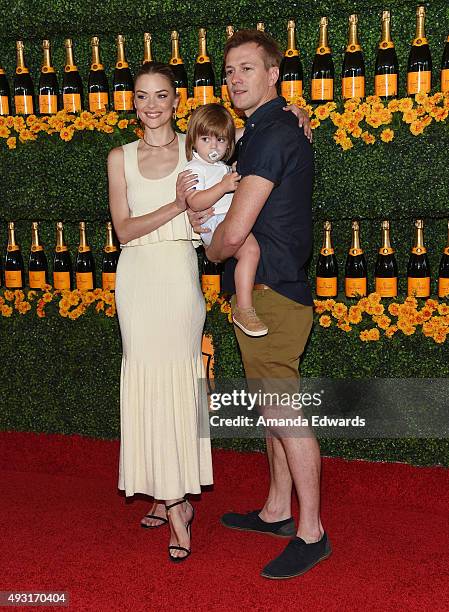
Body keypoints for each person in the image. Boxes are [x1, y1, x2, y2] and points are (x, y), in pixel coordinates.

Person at [189, 29, 331, 580]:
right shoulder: (258, 133)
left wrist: (209, 242)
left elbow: (235, 233)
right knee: (272, 410)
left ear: (274, 73)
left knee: (285, 413)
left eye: (247, 68)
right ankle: (277, 509)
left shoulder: (270, 137)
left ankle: (312, 531)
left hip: (272, 292)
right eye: (229, 72)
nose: (235, 80)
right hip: (269, 291)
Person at [107, 61, 213, 563]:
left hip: (177, 276)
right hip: (136, 279)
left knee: (175, 383)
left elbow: (243, 150)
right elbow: (123, 231)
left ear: (177, 101)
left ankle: (177, 505)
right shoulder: (119, 157)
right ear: (134, 103)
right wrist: (176, 206)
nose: (152, 105)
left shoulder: (195, 151)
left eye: (162, 96)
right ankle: (163, 491)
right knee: (146, 383)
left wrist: (297, 111)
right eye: (143, 96)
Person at [185, 103, 268, 337]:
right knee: (249, 249)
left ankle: (243, 307)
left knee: (251, 252)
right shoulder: (193, 169)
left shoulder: (222, 167)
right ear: (193, 141)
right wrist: (223, 187)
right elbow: (195, 202)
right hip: (214, 223)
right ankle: (244, 307)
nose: (214, 146)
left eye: (220, 140)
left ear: (229, 145)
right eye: (206, 139)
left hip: (229, 219)